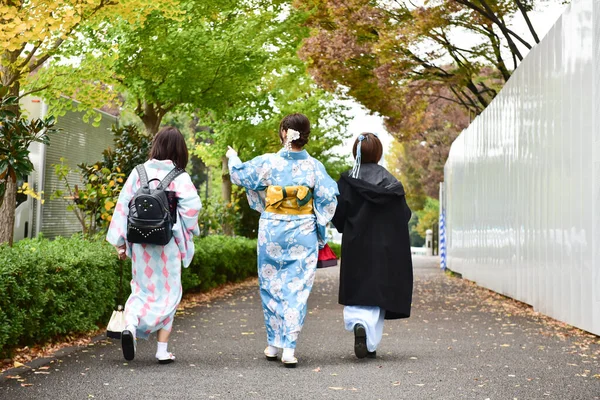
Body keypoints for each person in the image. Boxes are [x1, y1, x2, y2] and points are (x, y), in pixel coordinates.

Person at [225, 113, 338, 368]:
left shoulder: (268, 163)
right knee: (296, 290)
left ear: (284, 132)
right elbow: (329, 199)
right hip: (303, 232)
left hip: (272, 231)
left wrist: (233, 157)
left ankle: (274, 343)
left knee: (271, 285)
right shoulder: (314, 167)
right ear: (305, 136)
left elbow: (241, 176)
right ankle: (288, 347)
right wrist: (317, 225)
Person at [107, 126, 202, 364]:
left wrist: (120, 243)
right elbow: (192, 208)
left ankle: (130, 324)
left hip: (140, 243)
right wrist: (181, 228)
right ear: (180, 150)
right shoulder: (179, 176)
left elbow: (123, 206)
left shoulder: (138, 172)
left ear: (156, 145)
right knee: (169, 294)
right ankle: (162, 350)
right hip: (166, 245)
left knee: (141, 289)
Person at [331, 132, 413, 359]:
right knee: (377, 293)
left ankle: (358, 322)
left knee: (358, 288)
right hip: (385, 248)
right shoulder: (392, 184)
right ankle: (369, 341)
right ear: (379, 153)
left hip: (356, 245)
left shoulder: (347, 181)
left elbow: (337, 215)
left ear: (354, 152)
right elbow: (403, 216)